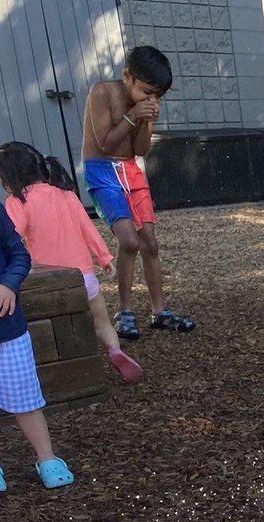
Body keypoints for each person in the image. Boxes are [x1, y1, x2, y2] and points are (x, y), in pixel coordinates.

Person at [0, 142, 141, 384]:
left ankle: (55, 368)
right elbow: (88, 229)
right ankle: (115, 350)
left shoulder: (18, 201)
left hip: (51, 281)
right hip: (85, 277)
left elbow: (11, 235)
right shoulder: (67, 195)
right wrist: (104, 258)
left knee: (42, 319)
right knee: (102, 322)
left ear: (9, 178)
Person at [82, 45, 194, 343]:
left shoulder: (145, 105)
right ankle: (125, 311)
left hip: (131, 170)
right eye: (146, 91)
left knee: (150, 243)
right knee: (129, 241)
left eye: (157, 96)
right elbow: (105, 143)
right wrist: (134, 115)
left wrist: (145, 120)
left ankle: (159, 311)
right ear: (127, 76)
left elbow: (141, 149)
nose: (151, 99)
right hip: (102, 171)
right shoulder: (102, 93)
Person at [0, 196, 72, 492]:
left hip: (5, 329)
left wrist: (8, 284)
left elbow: (19, 256)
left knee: (24, 398)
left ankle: (47, 458)